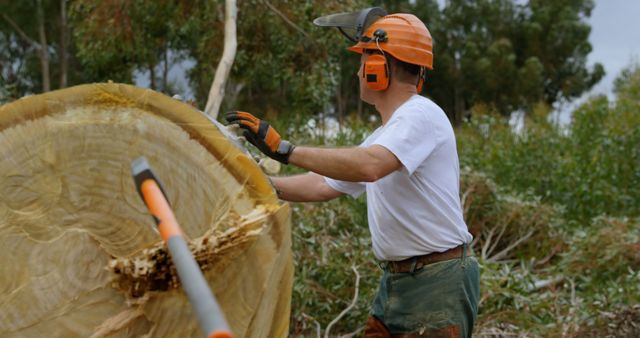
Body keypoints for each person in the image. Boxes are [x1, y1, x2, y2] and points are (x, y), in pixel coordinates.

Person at [225, 9, 479, 338]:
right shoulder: (385, 135)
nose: (359, 73)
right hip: (399, 280)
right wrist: (257, 183)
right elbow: (321, 185)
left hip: (436, 281)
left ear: (379, 68)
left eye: (363, 63)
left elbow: (369, 166)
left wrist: (285, 151)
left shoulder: (421, 114)